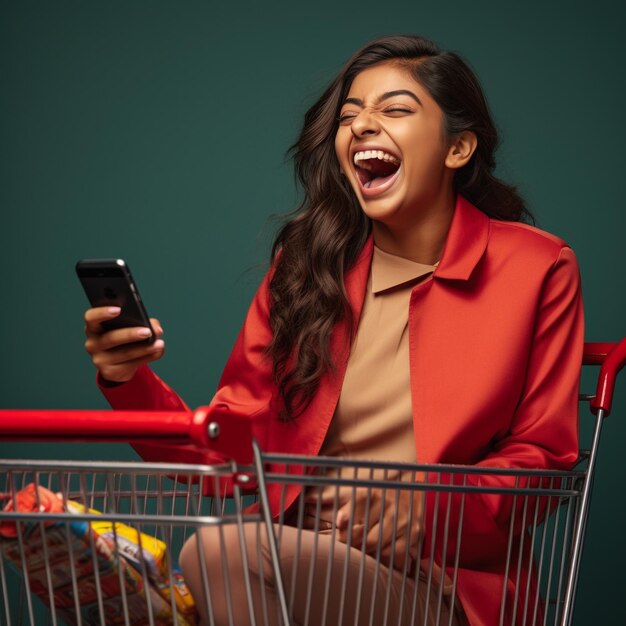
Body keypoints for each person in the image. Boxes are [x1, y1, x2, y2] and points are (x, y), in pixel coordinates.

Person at [83, 35, 584, 626]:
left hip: (435, 581)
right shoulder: (306, 268)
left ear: (458, 148)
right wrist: (129, 378)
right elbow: (230, 445)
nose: (363, 126)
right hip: (292, 560)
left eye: (394, 109)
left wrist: (425, 509)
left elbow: (543, 458)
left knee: (223, 554)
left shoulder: (537, 268)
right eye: (350, 115)